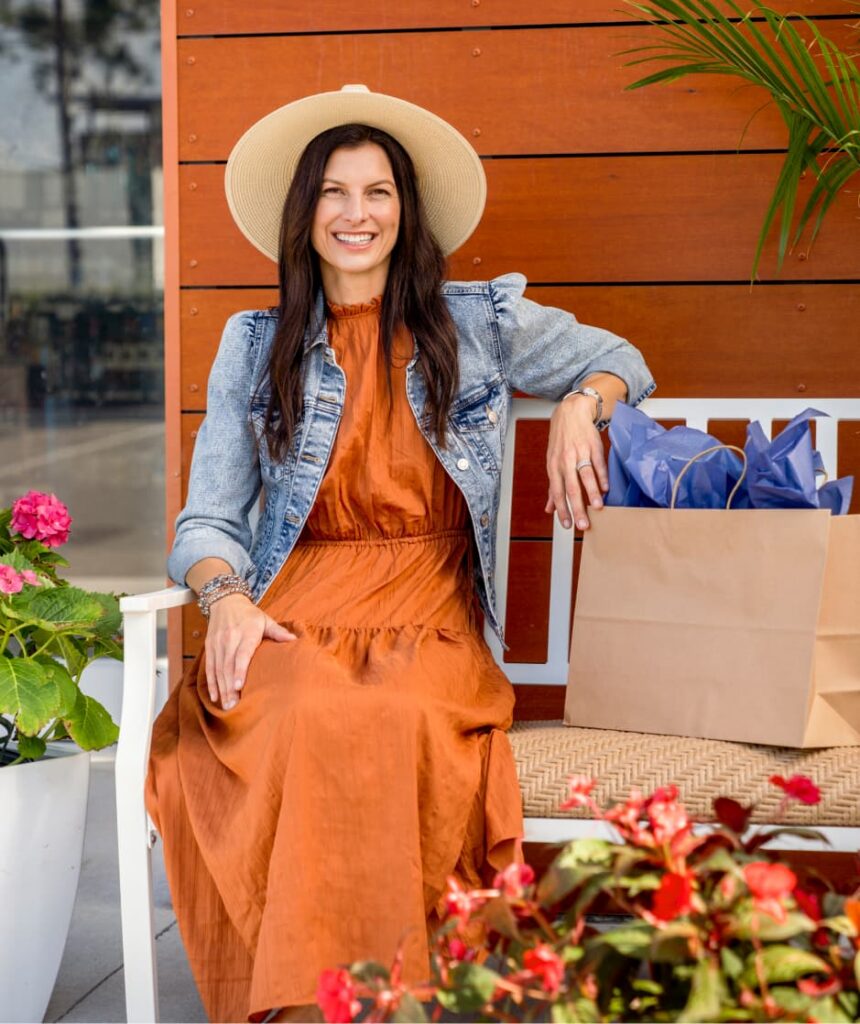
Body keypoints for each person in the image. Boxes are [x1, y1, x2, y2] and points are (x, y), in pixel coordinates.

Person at [145, 85, 656, 1023]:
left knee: (390, 713)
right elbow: (207, 521)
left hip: (429, 604)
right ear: (305, 216)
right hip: (294, 599)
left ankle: (364, 1000)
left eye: (377, 192)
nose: (357, 214)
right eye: (335, 194)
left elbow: (619, 353)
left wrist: (586, 402)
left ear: (404, 211)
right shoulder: (254, 345)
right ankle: (331, 1003)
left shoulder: (477, 322)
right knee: (299, 705)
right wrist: (223, 598)